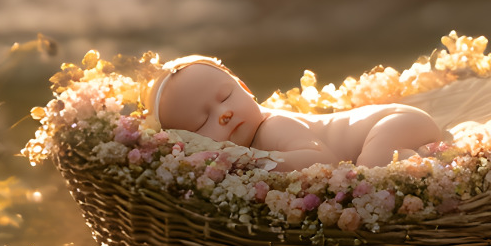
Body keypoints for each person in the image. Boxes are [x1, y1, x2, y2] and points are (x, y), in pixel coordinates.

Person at [151, 56, 444, 169]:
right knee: (379, 164)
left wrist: (248, 159)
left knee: (371, 168)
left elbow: (322, 159)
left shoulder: (272, 127)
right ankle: (418, 157)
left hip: (391, 123)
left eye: (226, 96)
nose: (224, 113)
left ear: (244, 87)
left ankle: (424, 161)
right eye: (203, 122)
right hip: (397, 129)